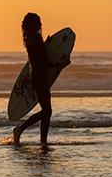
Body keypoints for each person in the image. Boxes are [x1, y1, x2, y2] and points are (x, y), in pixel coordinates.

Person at [13, 13, 70, 145]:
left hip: (36, 76)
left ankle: (43, 141)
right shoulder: (36, 38)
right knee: (47, 111)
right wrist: (59, 65)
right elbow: (41, 61)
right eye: (38, 22)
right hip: (40, 76)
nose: (40, 24)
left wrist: (47, 45)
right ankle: (20, 129)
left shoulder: (29, 39)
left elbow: (37, 57)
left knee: (47, 111)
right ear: (34, 24)